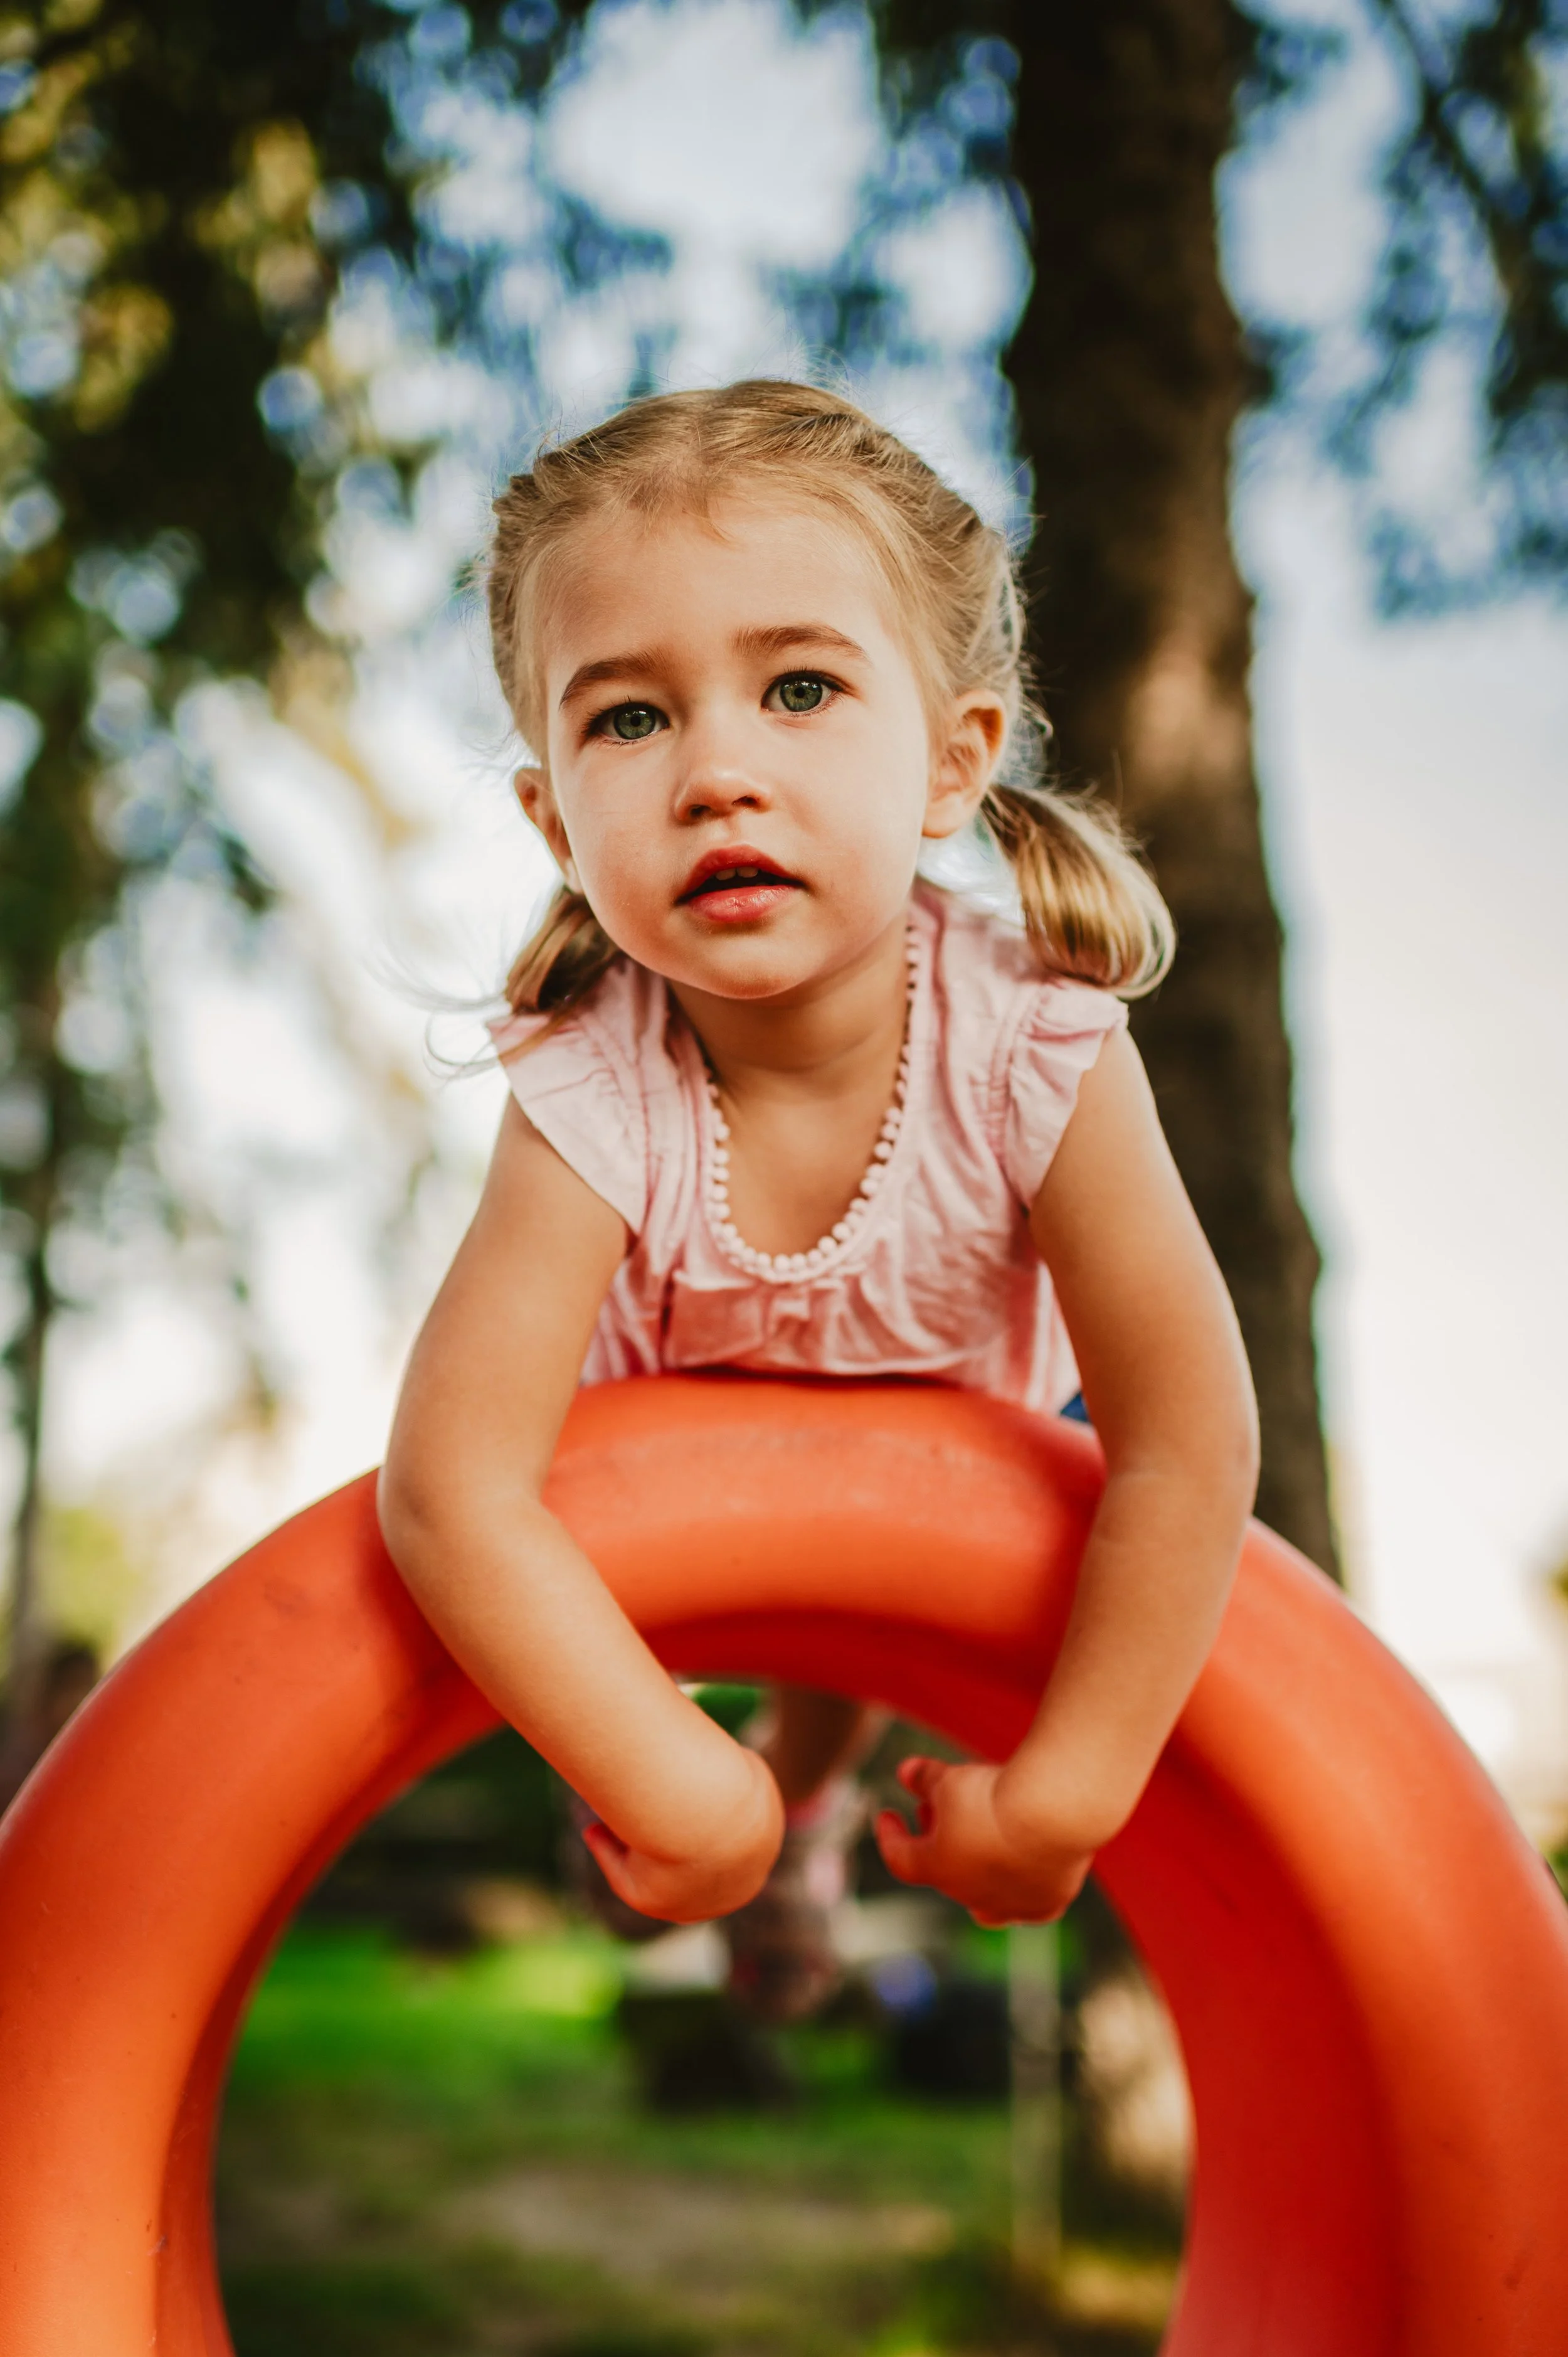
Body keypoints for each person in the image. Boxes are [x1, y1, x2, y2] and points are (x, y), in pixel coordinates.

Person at [378, 381, 1259, 2012]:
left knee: (838, 1675)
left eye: (796, 687)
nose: (715, 769)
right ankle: (728, 1821)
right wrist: (676, 1780)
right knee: (703, 1767)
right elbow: (451, 1487)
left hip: (939, 1483)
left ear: (951, 758)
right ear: (551, 820)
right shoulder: (589, 1079)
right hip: (661, 1520)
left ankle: (808, 1802)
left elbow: (1186, 1437)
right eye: (627, 718)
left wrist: (1064, 1790)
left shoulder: (1036, 1044)